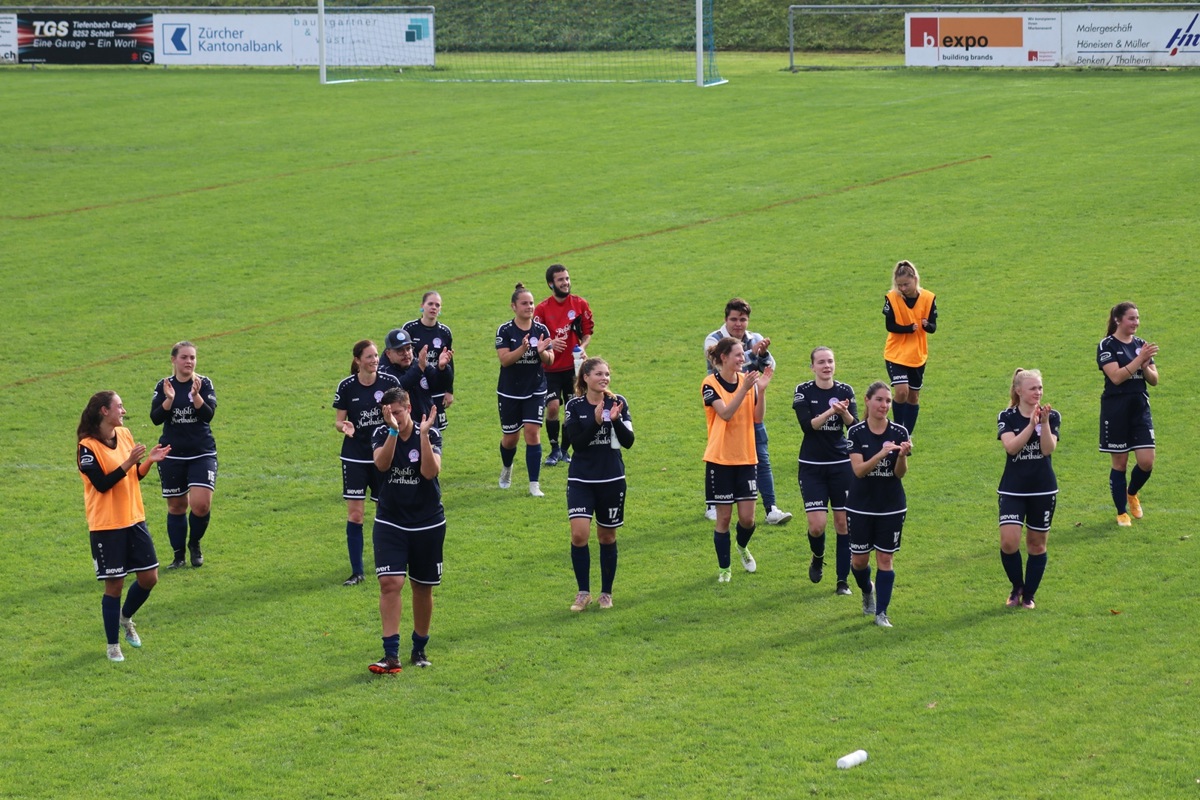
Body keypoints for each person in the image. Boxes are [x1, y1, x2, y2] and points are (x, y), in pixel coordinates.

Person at [77, 391, 171, 661]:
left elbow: (134, 475)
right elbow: (102, 484)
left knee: (149, 577)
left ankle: (125, 617)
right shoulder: (87, 447)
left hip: (134, 518)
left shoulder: (125, 434)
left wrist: (149, 461)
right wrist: (128, 461)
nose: (124, 411)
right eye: (119, 406)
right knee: (114, 587)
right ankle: (112, 646)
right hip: (107, 526)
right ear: (104, 411)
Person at [368, 387, 445, 673]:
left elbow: (429, 472)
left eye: (398, 413)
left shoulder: (430, 433)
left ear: (409, 408)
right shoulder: (381, 433)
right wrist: (392, 431)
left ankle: (419, 648)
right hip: (391, 521)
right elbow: (381, 464)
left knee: (422, 587)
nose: (394, 418)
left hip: (428, 522)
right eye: (388, 414)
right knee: (390, 583)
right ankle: (391, 655)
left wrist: (423, 436)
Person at [704, 298, 792, 526]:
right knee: (719, 456)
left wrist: (762, 355)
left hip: (750, 404)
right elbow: (720, 367)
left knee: (761, 456)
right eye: (734, 319)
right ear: (726, 319)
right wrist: (752, 354)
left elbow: (770, 366)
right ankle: (713, 504)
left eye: (743, 319)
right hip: (724, 404)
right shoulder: (713, 339)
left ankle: (771, 508)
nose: (738, 324)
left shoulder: (756, 338)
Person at [562, 357, 634, 611]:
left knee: (607, 536)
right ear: (586, 377)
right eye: (599, 374)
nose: (605, 378)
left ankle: (606, 593)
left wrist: (614, 420)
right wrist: (595, 422)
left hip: (612, 480)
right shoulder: (574, 405)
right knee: (579, 535)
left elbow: (628, 442)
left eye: (607, 374)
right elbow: (577, 444)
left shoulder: (618, 402)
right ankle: (583, 593)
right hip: (581, 480)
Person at [703, 336, 773, 583]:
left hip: (746, 457)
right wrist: (745, 389)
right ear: (724, 358)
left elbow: (757, 418)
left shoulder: (748, 381)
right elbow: (725, 413)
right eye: (738, 355)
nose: (743, 359)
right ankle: (725, 569)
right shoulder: (710, 383)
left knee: (748, 519)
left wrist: (761, 391)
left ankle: (742, 546)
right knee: (723, 518)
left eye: (743, 355)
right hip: (720, 459)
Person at [333, 339, 401, 586]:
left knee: (386, 510)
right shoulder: (347, 386)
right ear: (358, 360)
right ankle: (357, 572)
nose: (374, 360)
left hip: (382, 455)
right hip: (354, 458)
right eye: (369, 357)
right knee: (356, 515)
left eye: (376, 356)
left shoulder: (390, 383)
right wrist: (344, 427)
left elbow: (402, 414)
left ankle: (390, 562)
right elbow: (338, 421)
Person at [846, 381, 911, 628]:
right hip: (860, 506)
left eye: (888, 401)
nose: (884, 405)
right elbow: (859, 471)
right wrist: (881, 454)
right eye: (880, 400)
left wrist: (901, 456)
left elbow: (900, 473)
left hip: (891, 506)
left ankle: (881, 613)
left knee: (885, 558)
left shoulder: (900, 432)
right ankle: (867, 590)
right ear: (867, 400)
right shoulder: (855, 432)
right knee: (859, 562)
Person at [792, 346, 858, 595]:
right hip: (812, 467)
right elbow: (808, 427)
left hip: (841, 466)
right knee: (817, 526)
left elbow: (855, 428)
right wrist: (832, 411)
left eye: (830, 361)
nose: (826, 365)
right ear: (812, 367)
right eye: (821, 362)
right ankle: (818, 557)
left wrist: (845, 414)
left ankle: (842, 582)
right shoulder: (803, 391)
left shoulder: (845, 391)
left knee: (843, 524)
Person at [150, 341, 218, 569]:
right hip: (172, 455)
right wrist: (169, 400)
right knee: (177, 507)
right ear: (173, 360)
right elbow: (155, 418)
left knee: (201, 506)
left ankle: (194, 544)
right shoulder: (164, 385)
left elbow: (208, 415)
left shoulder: (204, 383)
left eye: (192, 357)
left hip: (202, 453)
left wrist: (196, 396)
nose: (189, 361)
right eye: (184, 357)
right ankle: (178, 556)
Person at [997, 369, 1060, 610]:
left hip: (1043, 490)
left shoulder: (1051, 416)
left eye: (1040, 388)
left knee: (1037, 545)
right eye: (1033, 388)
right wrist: (1031, 425)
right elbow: (1011, 447)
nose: (1038, 392)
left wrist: (1043, 423)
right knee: (1009, 543)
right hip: (1013, 490)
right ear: (1019, 391)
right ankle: (1017, 587)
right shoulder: (1007, 417)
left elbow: (1047, 449)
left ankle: (1029, 595)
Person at [496, 282, 561, 497]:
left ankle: (534, 484)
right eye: (524, 303)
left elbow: (550, 360)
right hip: (509, 392)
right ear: (513, 306)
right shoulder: (505, 330)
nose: (529, 307)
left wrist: (542, 352)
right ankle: (507, 468)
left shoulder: (541, 330)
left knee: (532, 433)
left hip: (535, 389)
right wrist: (522, 349)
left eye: (531, 303)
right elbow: (505, 360)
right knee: (511, 439)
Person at [1098, 301, 1159, 527]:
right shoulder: (1106, 345)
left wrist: (1145, 366)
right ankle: (1121, 512)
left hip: (1140, 409)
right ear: (1118, 320)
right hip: (1116, 410)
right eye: (1132, 318)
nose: (1136, 322)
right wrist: (1139, 360)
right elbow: (1116, 377)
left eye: (1137, 318)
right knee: (1120, 463)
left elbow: (1154, 379)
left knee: (1147, 461)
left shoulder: (1141, 345)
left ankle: (1132, 493)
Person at [535, 264, 594, 467]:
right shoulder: (542, 309)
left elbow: (587, 332)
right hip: (550, 369)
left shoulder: (580, 304)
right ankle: (553, 450)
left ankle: (565, 450)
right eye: (560, 280)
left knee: (571, 408)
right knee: (553, 407)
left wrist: (582, 347)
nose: (566, 283)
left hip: (574, 368)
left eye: (567, 278)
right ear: (551, 284)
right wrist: (550, 343)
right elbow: (535, 339)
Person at [882, 260, 938, 436]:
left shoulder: (929, 298)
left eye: (906, 284)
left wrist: (927, 325)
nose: (903, 288)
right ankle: (898, 430)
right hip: (896, 354)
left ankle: (906, 435)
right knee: (901, 391)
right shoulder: (892, 298)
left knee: (913, 396)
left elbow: (933, 327)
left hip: (917, 356)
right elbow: (890, 326)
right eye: (899, 285)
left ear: (915, 279)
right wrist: (908, 328)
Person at [403, 291, 455, 434]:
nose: (434, 307)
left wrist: (449, 390)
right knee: (414, 428)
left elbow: (449, 362)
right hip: (415, 386)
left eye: (437, 305)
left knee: (435, 431)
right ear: (422, 306)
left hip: (436, 386)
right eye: (430, 304)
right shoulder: (410, 329)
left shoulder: (444, 332)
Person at [380, 327, 450, 426]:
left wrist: (442, 368)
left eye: (408, 348)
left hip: (428, 425)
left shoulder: (418, 363)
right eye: (400, 350)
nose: (406, 353)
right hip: (403, 429)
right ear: (388, 353)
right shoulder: (384, 372)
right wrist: (419, 368)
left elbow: (438, 385)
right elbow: (398, 388)